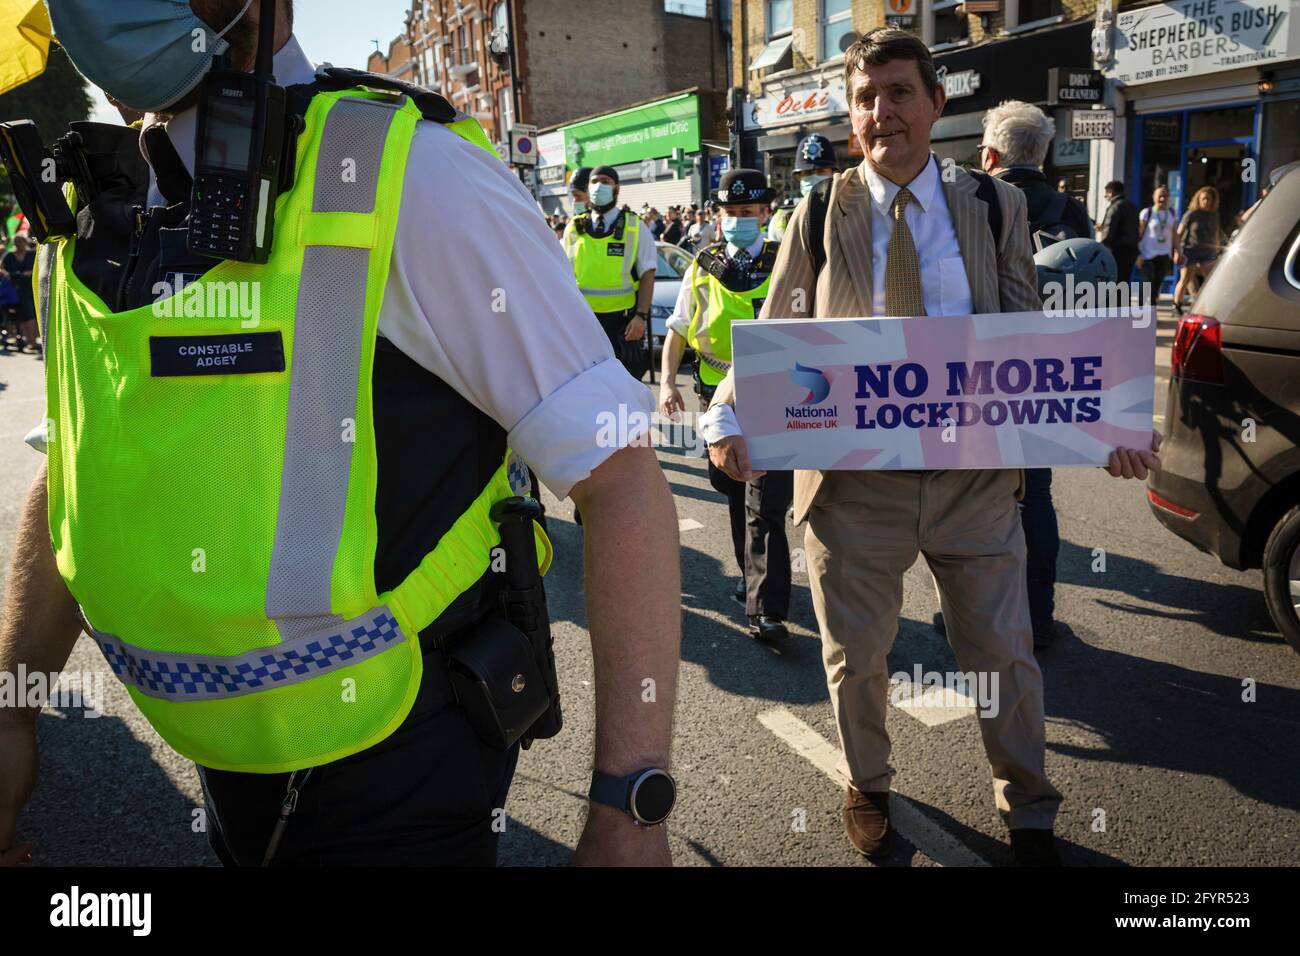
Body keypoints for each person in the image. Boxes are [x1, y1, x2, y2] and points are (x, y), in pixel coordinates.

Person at [1, 0, 682, 869]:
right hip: (225, 757)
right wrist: (12, 709)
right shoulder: (92, 209)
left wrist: (630, 812)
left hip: (400, 759)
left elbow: (620, 474)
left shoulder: (410, 172)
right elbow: (73, 463)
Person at [698, 27, 1161, 866]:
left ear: (937, 103)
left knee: (1005, 656)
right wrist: (723, 417)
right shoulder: (817, 208)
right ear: (851, 112)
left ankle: (1028, 806)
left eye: (901, 92)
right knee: (856, 659)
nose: (884, 113)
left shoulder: (995, 204)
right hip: (852, 486)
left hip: (973, 480)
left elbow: (1027, 332)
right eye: (867, 97)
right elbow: (780, 330)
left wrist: (1109, 421)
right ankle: (867, 785)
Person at [976, 100, 1093, 650]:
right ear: (1042, 155)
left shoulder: (974, 200)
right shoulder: (1069, 210)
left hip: (976, 374)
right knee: (1037, 495)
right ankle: (1038, 618)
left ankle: (985, 620)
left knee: (977, 503)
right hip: (1047, 372)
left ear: (990, 153)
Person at [659, 168, 791, 642]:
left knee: (765, 499)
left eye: (748, 213)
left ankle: (766, 604)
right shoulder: (704, 263)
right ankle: (749, 573)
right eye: (730, 213)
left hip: (774, 392)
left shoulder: (782, 261)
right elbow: (679, 327)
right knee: (733, 488)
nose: (738, 221)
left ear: (765, 213)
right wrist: (667, 383)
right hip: (716, 397)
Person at [561, 165, 657, 380]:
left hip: (623, 324)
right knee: (587, 385)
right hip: (584, 323)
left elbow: (647, 274)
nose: (598, 186)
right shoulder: (573, 228)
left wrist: (641, 316)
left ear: (616, 188)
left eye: (605, 181)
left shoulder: (635, 226)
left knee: (624, 385)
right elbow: (562, 276)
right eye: (594, 182)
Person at [1172, 185, 1223, 316]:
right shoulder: (1191, 214)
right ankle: (1177, 305)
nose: (1206, 201)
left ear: (1213, 201)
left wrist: (1217, 249)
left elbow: (1216, 234)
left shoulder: (1214, 215)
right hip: (1190, 250)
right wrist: (1177, 252)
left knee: (1211, 279)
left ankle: (1209, 306)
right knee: (1186, 279)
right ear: (1198, 200)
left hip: (1208, 252)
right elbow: (1178, 234)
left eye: (1208, 199)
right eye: (1203, 199)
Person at [1137, 184, 1176, 306]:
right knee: (1147, 283)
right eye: (1160, 196)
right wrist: (1138, 254)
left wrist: (1178, 251)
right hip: (1147, 255)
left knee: (1157, 285)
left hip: (1164, 255)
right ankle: (1141, 311)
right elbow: (1139, 234)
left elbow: (1175, 235)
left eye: (1165, 196)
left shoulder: (1172, 213)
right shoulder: (1147, 213)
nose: (1162, 199)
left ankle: (1152, 312)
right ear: (1154, 197)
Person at [0, 234, 39, 355]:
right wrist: (7, 274)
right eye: (16, 241)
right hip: (14, 290)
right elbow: (1, 268)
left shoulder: (32, 254)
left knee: (32, 314)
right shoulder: (9, 256)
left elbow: (41, 267)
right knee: (21, 316)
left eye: (20, 240)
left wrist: (32, 272)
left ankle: (33, 341)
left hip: (31, 288)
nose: (18, 243)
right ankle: (28, 341)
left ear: (25, 242)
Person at [1097, 180, 1140, 283]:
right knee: (1125, 280)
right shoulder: (1132, 206)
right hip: (1131, 250)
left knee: (1114, 280)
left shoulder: (1114, 207)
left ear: (1111, 192)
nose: (1105, 196)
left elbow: (1108, 232)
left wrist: (1102, 249)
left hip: (1117, 251)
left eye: (1106, 193)